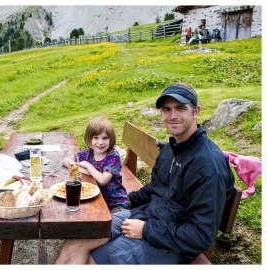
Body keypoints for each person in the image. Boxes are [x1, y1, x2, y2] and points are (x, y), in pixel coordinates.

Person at [55, 83, 235, 264]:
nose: (172, 115)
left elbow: (201, 236)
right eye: (167, 109)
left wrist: (146, 230)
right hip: (146, 216)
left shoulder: (208, 165)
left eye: (180, 108)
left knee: (93, 260)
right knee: (76, 240)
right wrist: (124, 201)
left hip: (167, 243)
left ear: (196, 111)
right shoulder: (171, 149)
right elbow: (155, 188)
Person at [62, 117, 130, 213]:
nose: (100, 142)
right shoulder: (89, 152)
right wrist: (78, 169)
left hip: (115, 204)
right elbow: (66, 160)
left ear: (111, 139)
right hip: (96, 199)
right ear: (89, 138)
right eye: (96, 138)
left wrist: (88, 166)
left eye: (105, 138)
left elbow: (103, 180)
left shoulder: (113, 156)